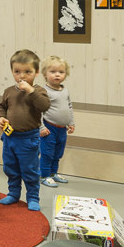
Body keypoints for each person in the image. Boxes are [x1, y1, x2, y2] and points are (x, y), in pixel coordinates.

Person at [0, 49, 51, 211]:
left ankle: (33, 197)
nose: (22, 76)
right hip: (10, 138)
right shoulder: (9, 91)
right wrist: (1, 118)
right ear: (12, 72)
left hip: (28, 139)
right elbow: (2, 107)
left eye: (27, 72)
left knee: (30, 170)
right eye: (17, 72)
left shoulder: (39, 91)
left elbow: (44, 106)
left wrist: (30, 91)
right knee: (10, 167)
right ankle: (13, 193)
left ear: (36, 73)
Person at [39, 55, 75, 188]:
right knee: (47, 153)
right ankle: (44, 175)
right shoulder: (43, 91)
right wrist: (41, 127)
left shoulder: (65, 90)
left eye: (61, 72)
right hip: (49, 128)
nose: (57, 75)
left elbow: (69, 106)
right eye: (53, 72)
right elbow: (38, 111)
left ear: (66, 74)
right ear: (44, 74)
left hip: (62, 128)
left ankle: (53, 173)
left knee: (58, 153)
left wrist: (71, 122)